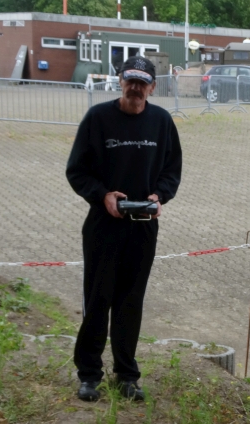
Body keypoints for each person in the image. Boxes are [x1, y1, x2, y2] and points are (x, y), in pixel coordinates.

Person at [66, 55, 182, 402]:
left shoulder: (161, 122)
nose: (135, 87)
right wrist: (102, 195)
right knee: (98, 300)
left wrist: (160, 195)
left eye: (142, 82)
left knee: (131, 302)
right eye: (129, 80)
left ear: (152, 86)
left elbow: (172, 170)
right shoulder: (98, 118)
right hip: (104, 225)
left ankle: (126, 375)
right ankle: (89, 374)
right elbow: (77, 170)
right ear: (120, 81)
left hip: (144, 226)